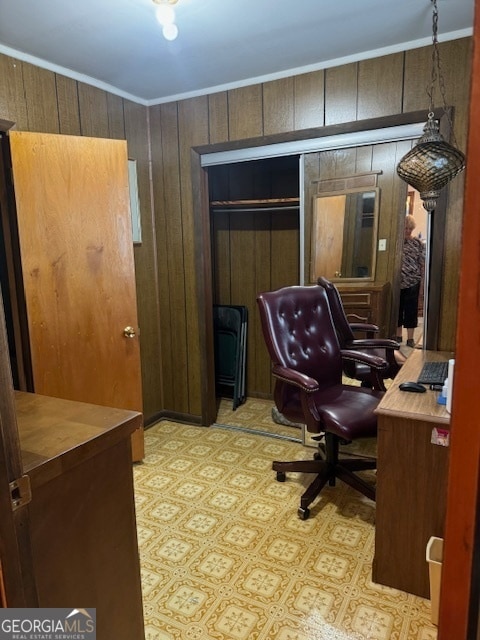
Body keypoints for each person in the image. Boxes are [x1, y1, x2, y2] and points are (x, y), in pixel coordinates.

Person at [397, 214, 425, 348]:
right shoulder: (396, 243)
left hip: (413, 280)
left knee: (411, 310)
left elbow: (422, 263)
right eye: (405, 228)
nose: (408, 231)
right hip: (398, 281)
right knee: (397, 309)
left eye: (410, 229)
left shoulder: (418, 243)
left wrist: (422, 284)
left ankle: (410, 338)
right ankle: (397, 336)